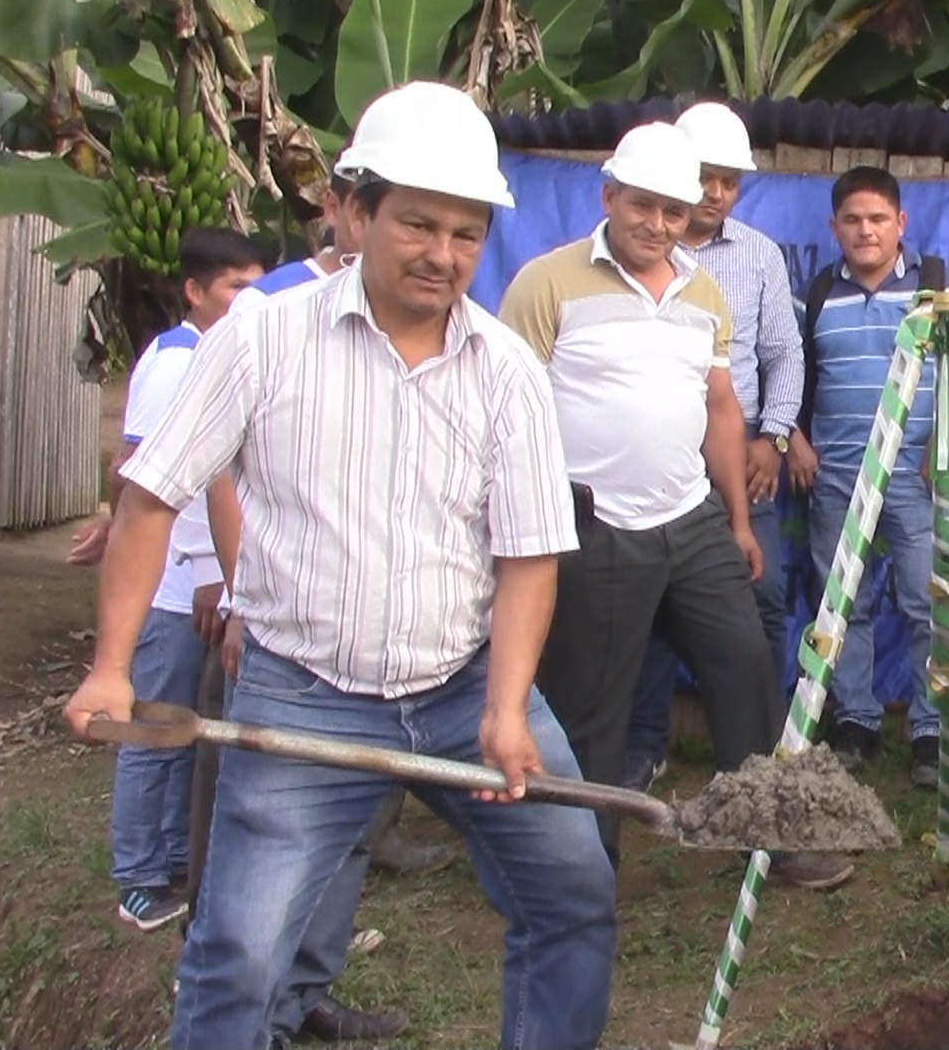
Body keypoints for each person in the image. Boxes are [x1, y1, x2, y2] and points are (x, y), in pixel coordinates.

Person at [61, 80, 618, 1050]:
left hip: (462, 688)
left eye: (467, 233)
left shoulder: (507, 376)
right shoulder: (264, 338)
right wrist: (112, 668)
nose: (443, 255)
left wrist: (503, 706)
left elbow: (529, 557)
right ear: (355, 212)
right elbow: (149, 497)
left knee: (574, 896)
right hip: (301, 689)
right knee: (239, 952)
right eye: (417, 224)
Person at [498, 120, 852, 890]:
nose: (657, 225)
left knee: (746, 669)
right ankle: (581, 867)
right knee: (592, 706)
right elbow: (505, 411)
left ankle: (766, 838)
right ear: (609, 197)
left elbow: (721, 409)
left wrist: (734, 520)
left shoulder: (702, 290)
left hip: (691, 519)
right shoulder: (547, 284)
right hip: (595, 525)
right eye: (643, 207)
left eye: (673, 211)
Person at [216, 172, 417, 1046]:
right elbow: (213, 471)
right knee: (264, 850)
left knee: (351, 832)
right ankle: (247, 1012)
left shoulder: (434, 324)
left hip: (387, 640)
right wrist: (233, 596)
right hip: (284, 636)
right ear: (346, 210)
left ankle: (303, 1000)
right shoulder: (269, 313)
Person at [619, 101, 805, 793]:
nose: (715, 193)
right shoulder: (632, 252)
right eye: (705, 177)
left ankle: (765, 754)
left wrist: (774, 436)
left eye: (730, 180)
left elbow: (785, 353)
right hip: (656, 454)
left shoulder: (759, 255)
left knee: (762, 598)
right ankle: (643, 747)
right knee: (644, 609)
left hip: (740, 456)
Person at [94, 227, 263, 933]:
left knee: (187, 730)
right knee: (152, 727)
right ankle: (137, 875)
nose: (250, 302)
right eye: (235, 289)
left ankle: (169, 859)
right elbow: (153, 477)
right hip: (172, 589)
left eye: (258, 288)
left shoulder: (228, 356)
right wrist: (203, 571)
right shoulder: (177, 363)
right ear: (195, 292)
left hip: (206, 582)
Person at [790, 166, 949, 789]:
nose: (865, 231)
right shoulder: (817, 294)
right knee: (843, 606)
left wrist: (944, 439)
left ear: (902, 223)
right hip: (836, 476)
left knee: (928, 602)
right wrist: (795, 440)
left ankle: (929, 732)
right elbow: (793, 377)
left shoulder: (938, 288)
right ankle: (856, 723)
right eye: (852, 220)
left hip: (916, 477)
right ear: (834, 226)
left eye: (877, 219)